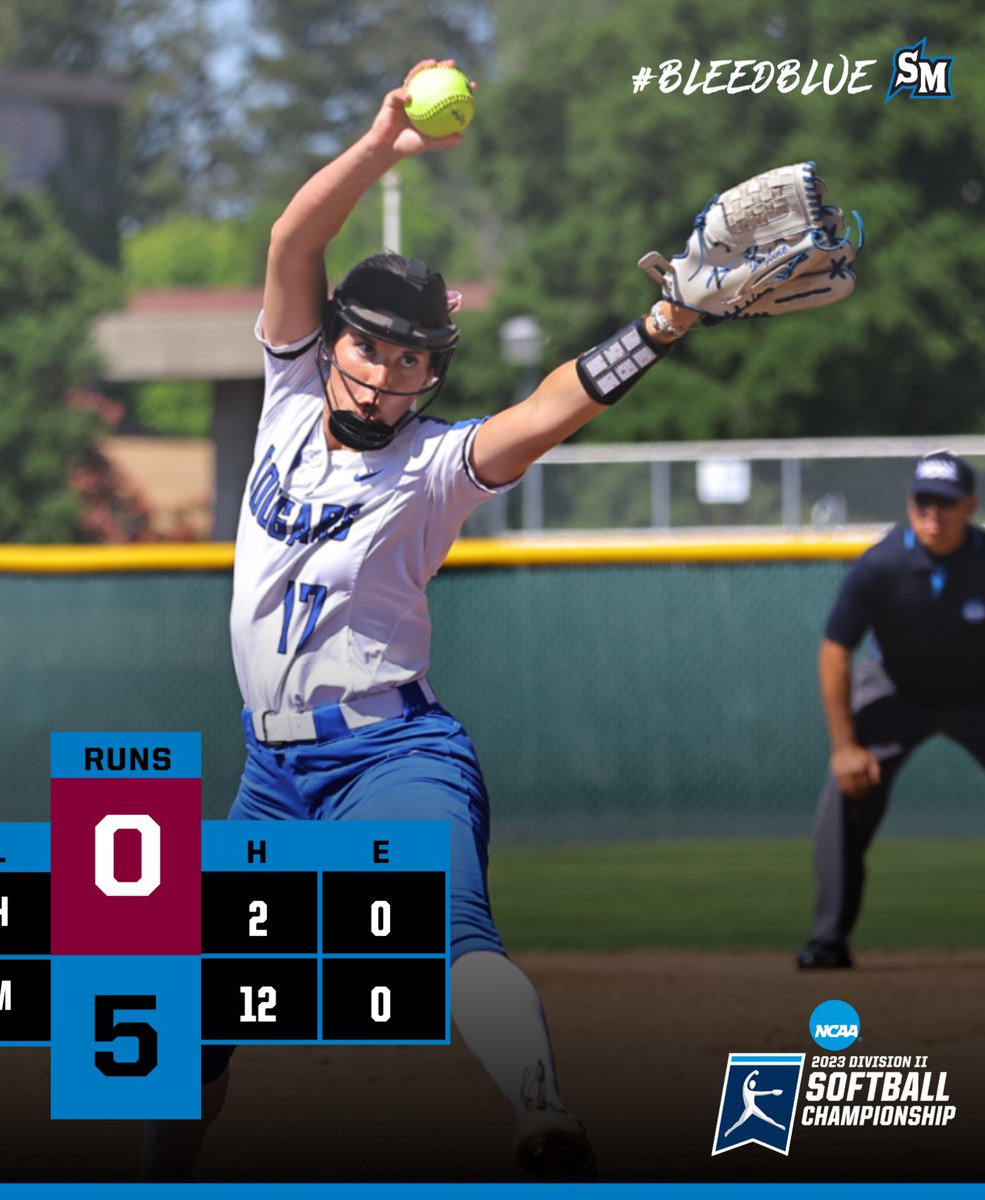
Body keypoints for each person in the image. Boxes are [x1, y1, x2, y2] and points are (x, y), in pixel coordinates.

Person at [141, 59, 847, 1182]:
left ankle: (543, 1113)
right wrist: (379, 144)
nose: (383, 374)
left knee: (448, 940)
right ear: (334, 342)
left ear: (430, 375)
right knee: (194, 1014)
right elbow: (288, 240)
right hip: (269, 777)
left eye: (410, 359)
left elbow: (546, 409)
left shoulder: (431, 467)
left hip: (390, 754)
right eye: (369, 345)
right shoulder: (283, 400)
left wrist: (662, 323)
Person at [797, 450, 984, 969]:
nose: (933, 513)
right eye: (924, 501)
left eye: (946, 503)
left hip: (977, 695)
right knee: (845, 793)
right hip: (897, 692)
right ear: (909, 502)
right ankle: (827, 940)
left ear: (969, 505)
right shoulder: (880, 566)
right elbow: (836, 650)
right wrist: (844, 748)